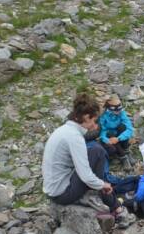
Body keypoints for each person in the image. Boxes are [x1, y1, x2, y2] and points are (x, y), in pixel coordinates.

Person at [43, 93, 130, 225]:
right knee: (98, 151)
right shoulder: (74, 137)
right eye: (94, 121)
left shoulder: (64, 130)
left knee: (94, 149)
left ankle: (104, 197)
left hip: (55, 188)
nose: (95, 126)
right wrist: (103, 185)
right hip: (62, 193)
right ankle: (114, 206)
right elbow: (85, 175)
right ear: (85, 117)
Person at [99, 95, 134, 169]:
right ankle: (123, 156)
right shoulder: (103, 116)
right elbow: (102, 131)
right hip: (109, 135)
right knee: (110, 134)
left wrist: (118, 138)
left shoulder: (122, 112)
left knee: (123, 127)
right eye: (116, 111)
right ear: (110, 108)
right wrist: (107, 140)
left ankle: (126, 150)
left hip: (118, 136)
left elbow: (130, 129)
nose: (119, 112)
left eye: (119, 110)